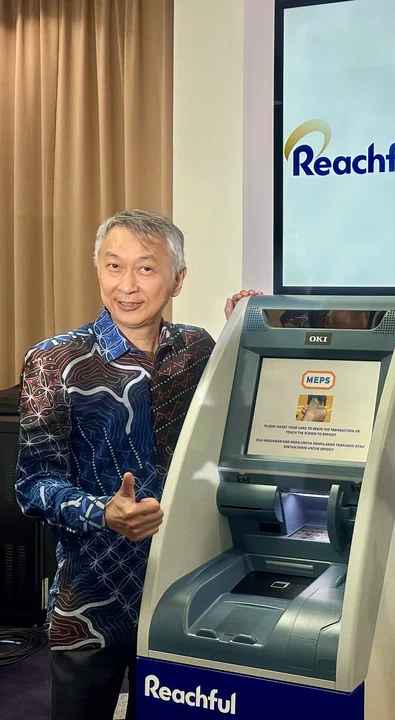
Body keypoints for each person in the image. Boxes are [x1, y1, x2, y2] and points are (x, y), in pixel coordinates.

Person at [15, 209, 261, 720]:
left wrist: (245, 326)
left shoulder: (196, 348)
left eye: (146, 268)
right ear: (97, 268)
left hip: (185, 585)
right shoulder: (55, 361)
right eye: (114, 266)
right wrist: (102, 511)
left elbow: (235, 417)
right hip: (92, 598)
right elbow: (32, 483)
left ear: (178, 279)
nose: (127, 285)